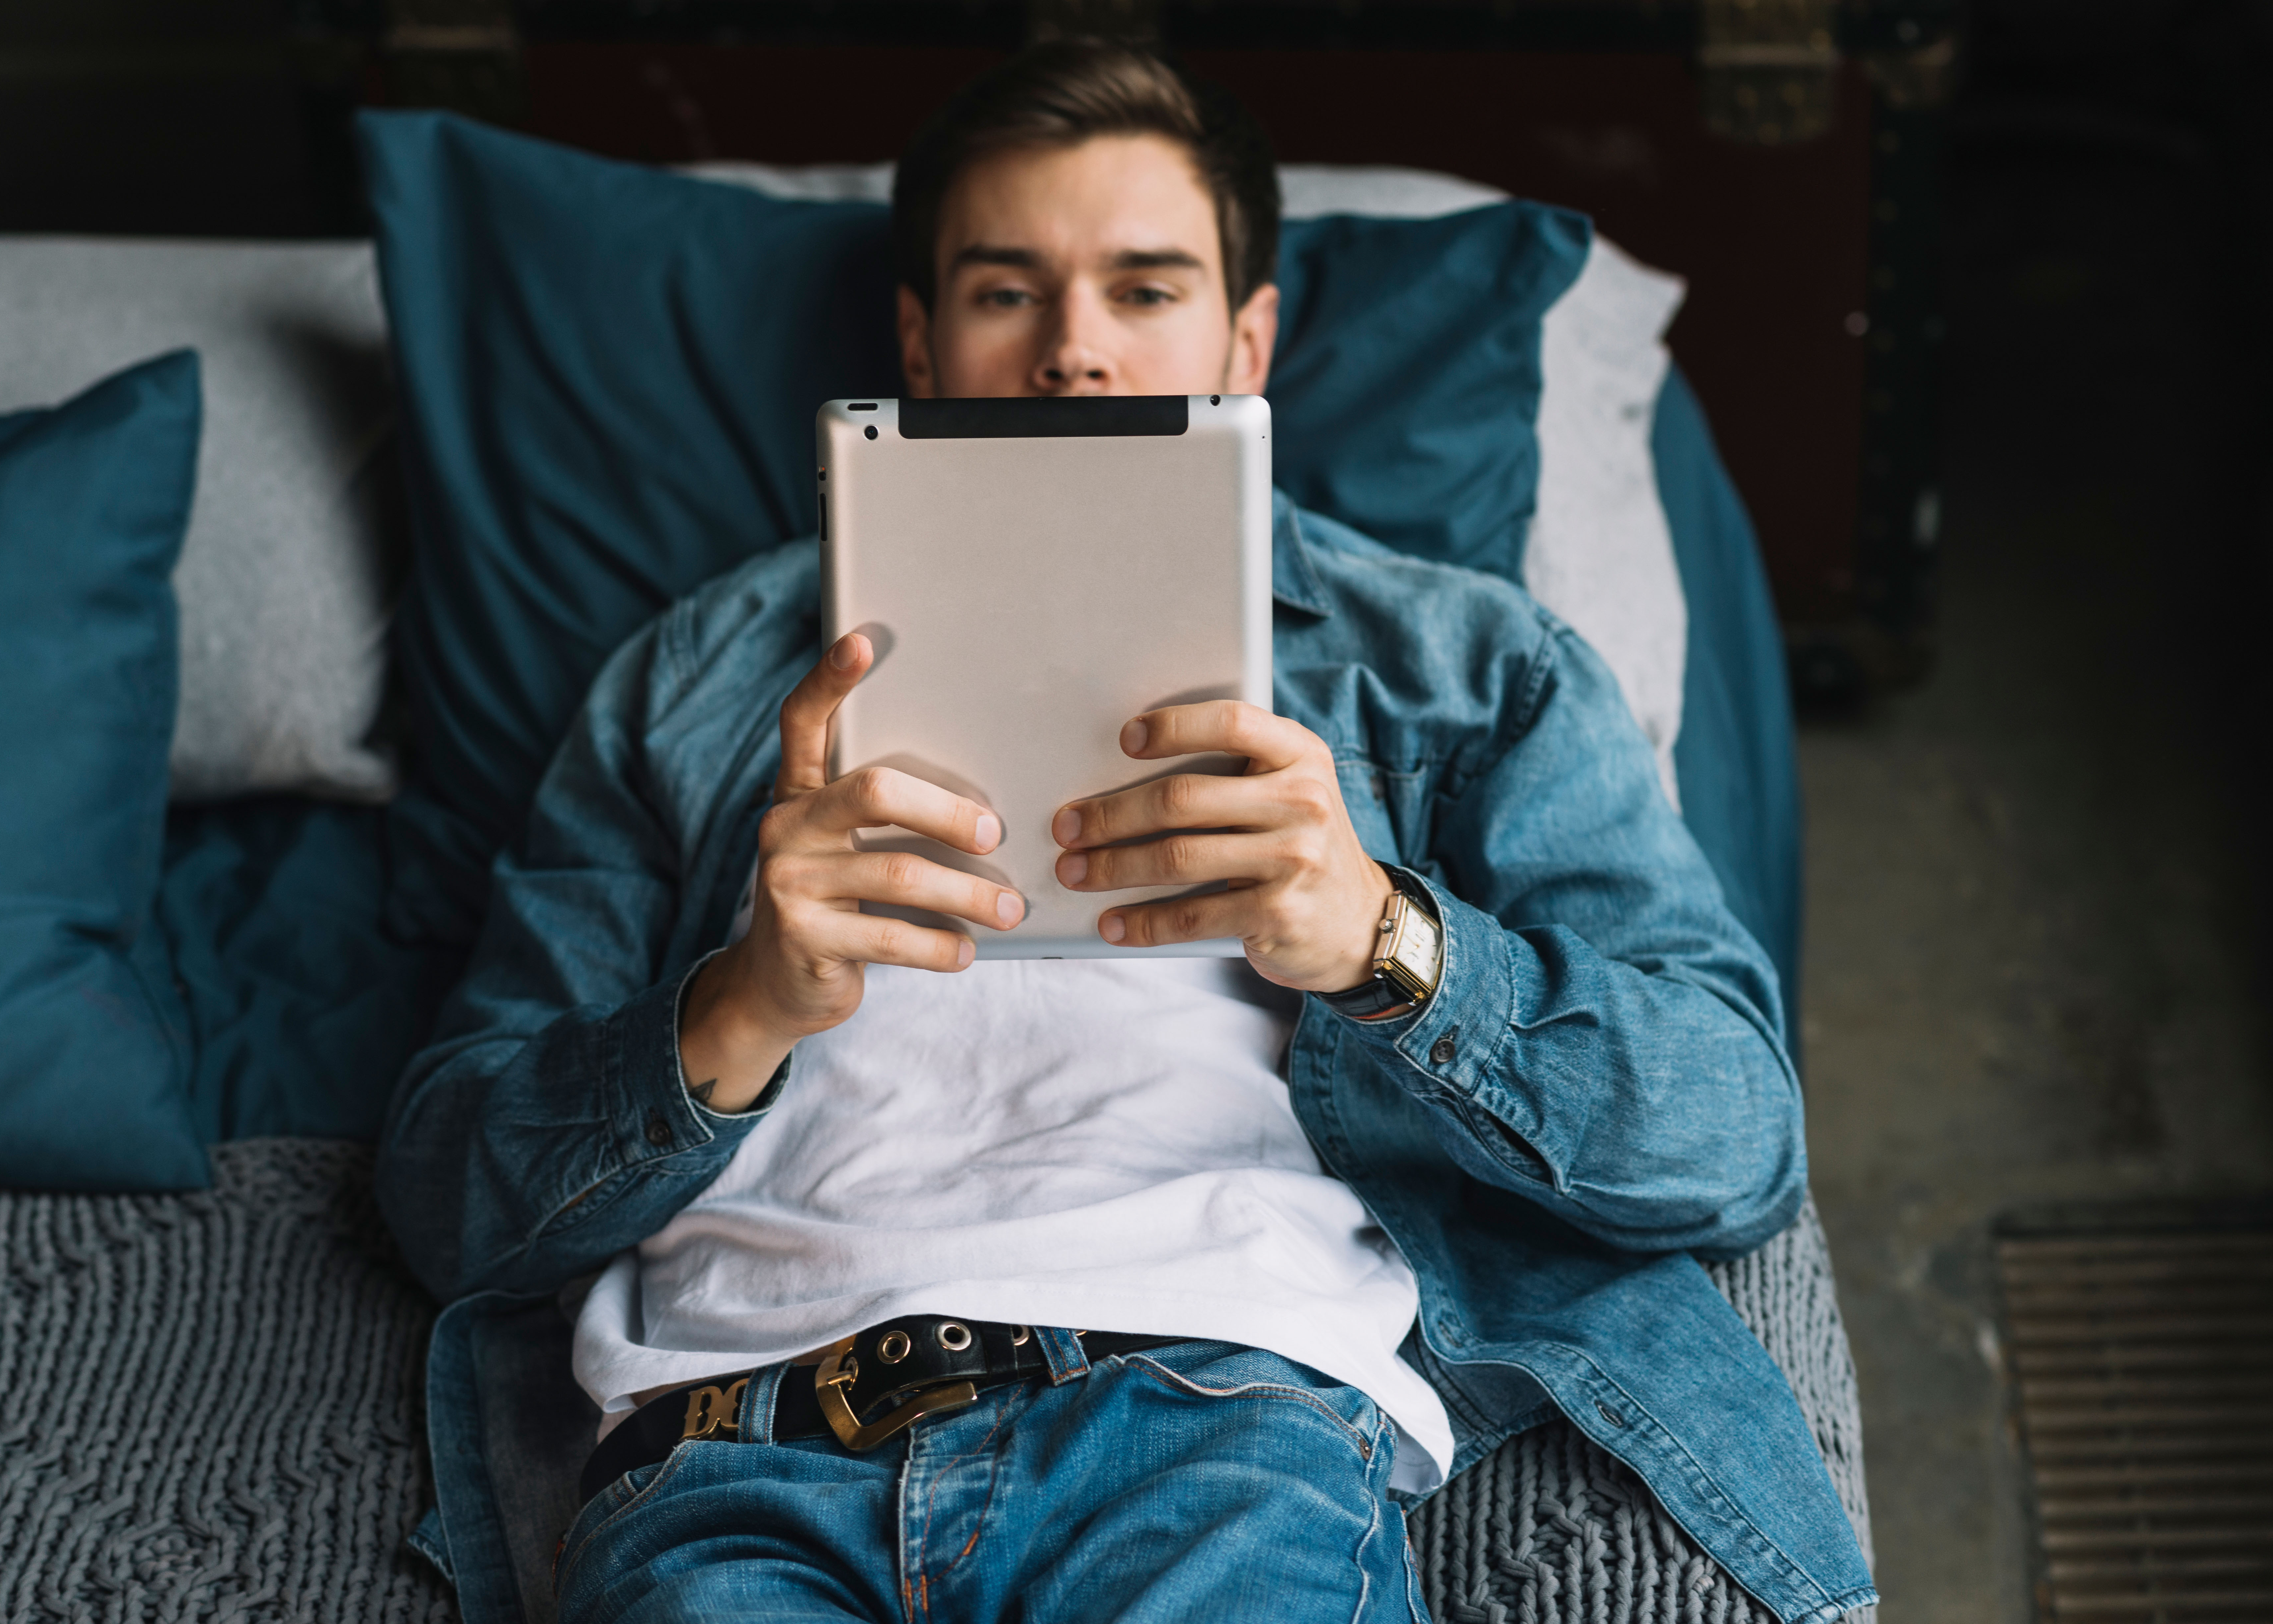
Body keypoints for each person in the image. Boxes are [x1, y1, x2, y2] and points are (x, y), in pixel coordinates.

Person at [379, 41, 1874, 1624]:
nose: (1075, 353)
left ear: (1247, 339)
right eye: (1005, 292)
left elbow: (1733, 1143)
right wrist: (734, 1008)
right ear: (920, 342)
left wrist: (1384, 942)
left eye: (1145, 289)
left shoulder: (1468, 666)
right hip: (736, 1451)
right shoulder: (691, 678)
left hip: (1217, 1423)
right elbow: (443, 1192)